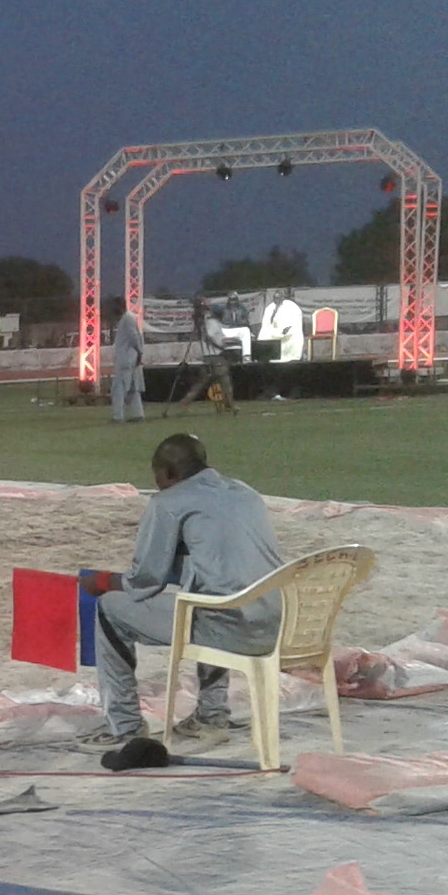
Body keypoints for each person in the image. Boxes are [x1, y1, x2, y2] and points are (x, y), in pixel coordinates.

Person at [78, 433, 284, 752]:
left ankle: (125, 726)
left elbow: (145, 580)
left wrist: (103, 581)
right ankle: (211, 715)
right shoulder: (246, 492)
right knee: (210, 593)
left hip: (232, 631)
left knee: (110, 608)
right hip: (279, 625)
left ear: (168, 472)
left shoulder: (169, 502)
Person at [108, 308, 147, 422]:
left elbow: (134, 337)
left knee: (118, 388)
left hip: (125, 358)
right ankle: (138, 414)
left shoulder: (127, 319)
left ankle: (118, 416)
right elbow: (138, 336)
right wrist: (139, 353)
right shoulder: (130, 317)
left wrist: (140, 352)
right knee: (133, 388)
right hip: (131, 357)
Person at [258, 288, 305, 364]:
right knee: (263, 333)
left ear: (282, 298)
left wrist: (286, 330)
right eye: (275, 298)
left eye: (278, 298)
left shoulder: (291, 306)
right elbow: (266, 324)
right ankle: (264, 358)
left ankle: (293, 358)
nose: (277, 300)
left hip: (288, 332)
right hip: (274, 332)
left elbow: (295, 322)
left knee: (296, 333)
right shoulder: (270, 308)